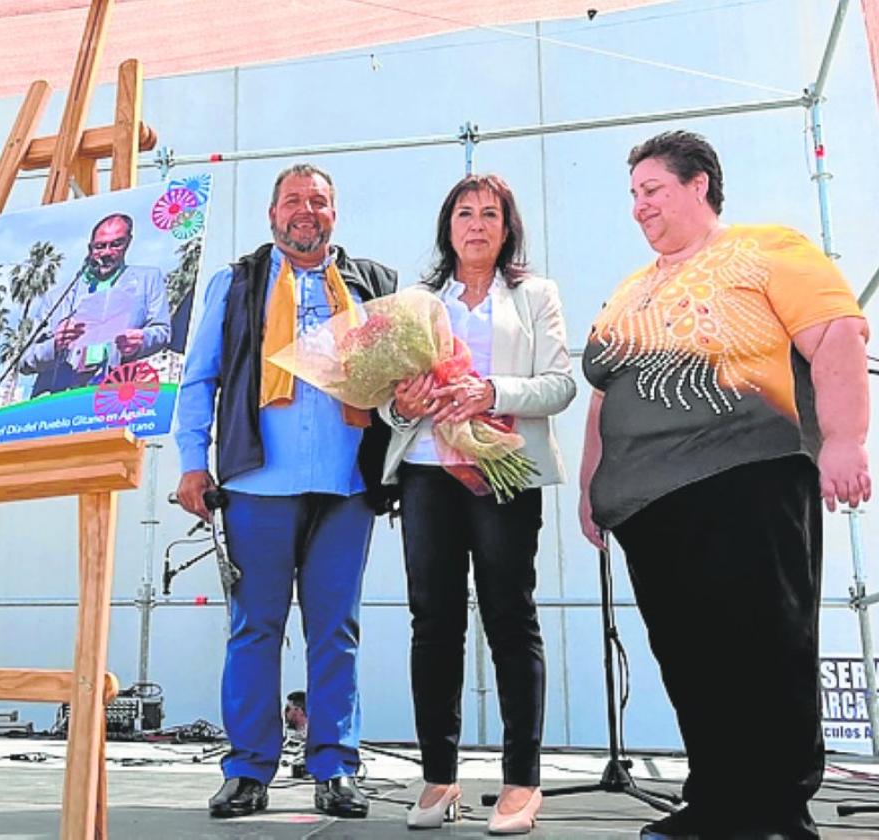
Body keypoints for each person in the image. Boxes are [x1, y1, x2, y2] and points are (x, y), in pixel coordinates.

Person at [578, 130, 870, 840]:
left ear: (700, 183)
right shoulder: (628, 290)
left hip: (746, 479)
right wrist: (591, 490)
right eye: (633, 196)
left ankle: (774, 813)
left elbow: (834, 332)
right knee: (690, 659)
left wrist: (844, 439)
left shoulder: (766, 246)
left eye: (652, 190)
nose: (639, 207)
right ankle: (716, 803)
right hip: (648, 506)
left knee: (764, 647)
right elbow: (601, 397)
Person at [173, 163, 397, 820]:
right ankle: (247, 770)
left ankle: (335, 767)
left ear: (335, 213)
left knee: (337, 631)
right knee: (253, 630)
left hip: (347, 486)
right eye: (293, 201)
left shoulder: (373, 285)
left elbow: (399, 380)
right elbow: (200, 380)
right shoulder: (237, 282)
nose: (306, 211)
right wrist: (193, 462)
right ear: (273, 215)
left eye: (319, 201)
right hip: (256, 486)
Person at [380, 174, 575, 832]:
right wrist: (399, 404)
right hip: (426, 473)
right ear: (448, 227)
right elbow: (387, 397)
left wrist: (491, 391)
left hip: (501, 470)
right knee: (432, 623)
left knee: (509, 618)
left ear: (507, 227)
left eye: (491, 214)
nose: (477, 224)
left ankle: (522, 783)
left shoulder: (535, 296)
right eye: (465, 213)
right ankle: (438, 779)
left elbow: (559, 385)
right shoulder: (415, 300)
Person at [20, 213, 170, 396]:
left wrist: (141, 340)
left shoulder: (148, 279)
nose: (107, 252)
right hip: (60, 395)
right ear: (89, 248)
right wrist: (56, 344)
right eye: (100, 246)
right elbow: (25, 361)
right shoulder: (57, 297)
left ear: (128, 242)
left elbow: (163, 331)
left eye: (116, 244)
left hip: (117, 392)